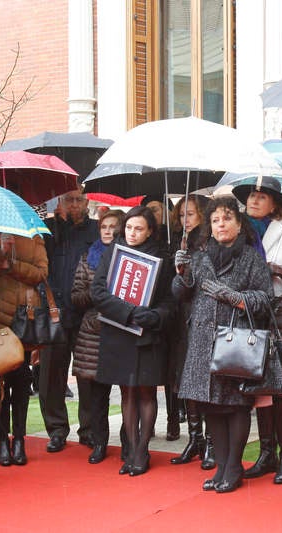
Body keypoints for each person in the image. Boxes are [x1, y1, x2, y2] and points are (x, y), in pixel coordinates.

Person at [173, 196, 272, 493]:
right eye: (215, 220)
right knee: (211, 406)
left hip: (235, 340)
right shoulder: (200, 257)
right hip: (203, 339)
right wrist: (180, 274)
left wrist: (234, 297)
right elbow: (182, 294)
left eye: (227, 218)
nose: (221, 225)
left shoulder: (251, 258)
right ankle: (221, 468)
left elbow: (265, 298)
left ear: (239, 224)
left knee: (235, 406)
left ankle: (233, 468)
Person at [232, 175, 282, 484]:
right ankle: (266, 454)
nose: (254, 200)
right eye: (251, 195)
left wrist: (280, 273)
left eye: (262, 196)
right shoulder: (240, 234)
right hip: (250, 318)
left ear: (275, 204)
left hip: (281, 319)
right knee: (260, 389)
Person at [91, 206, 174, 476]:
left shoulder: (163, 257)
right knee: (127, 391)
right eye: (129, 227)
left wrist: (153, 316)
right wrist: (129, 312)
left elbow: (170, 302)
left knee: (146, 392)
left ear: (150, 231)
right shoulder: (112, 253)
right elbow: (99, 292)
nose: (132, 233)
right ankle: (132, 447)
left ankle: (142, 452)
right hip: (120, 332)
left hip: (149, 334)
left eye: (139, 228)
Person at [0, 230, 49, 466]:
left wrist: (12, 264)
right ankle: (3, 439)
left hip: (26, 318)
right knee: (0, 386)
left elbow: (41, 273)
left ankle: (20, 439)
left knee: (22, 383)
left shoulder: (33, 236)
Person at [41, 189, 99, 452]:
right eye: (69, 200)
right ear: (60, 202)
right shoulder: (47, 229)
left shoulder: (96, 230)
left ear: (86, 203)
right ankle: (56, 429)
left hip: (85, 312)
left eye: (78, 200)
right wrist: (58, 224)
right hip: (54, 312)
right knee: (52, 375)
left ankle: (88, 429)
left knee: (88, 376)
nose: (74, 205)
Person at [167, 194, 216, 468]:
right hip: (180, 320)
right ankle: (194, 437)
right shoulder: (178, 241)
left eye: (190, 214)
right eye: (182, 214)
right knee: (184, 380)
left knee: (202, 379)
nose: (185, 219)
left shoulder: (206, 243)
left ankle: (209, 440)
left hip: (201, 318)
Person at [71, 210, 122, 464]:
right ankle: (99, 442)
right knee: (97, 395)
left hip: (122, 331)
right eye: (104, 226)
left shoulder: (129, 259)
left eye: (113, 226)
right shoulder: (87, 258)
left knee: (128, 393)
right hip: (94, 333)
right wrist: (97, 291)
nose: (108, 230)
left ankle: (129, 442)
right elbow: (77, 296)